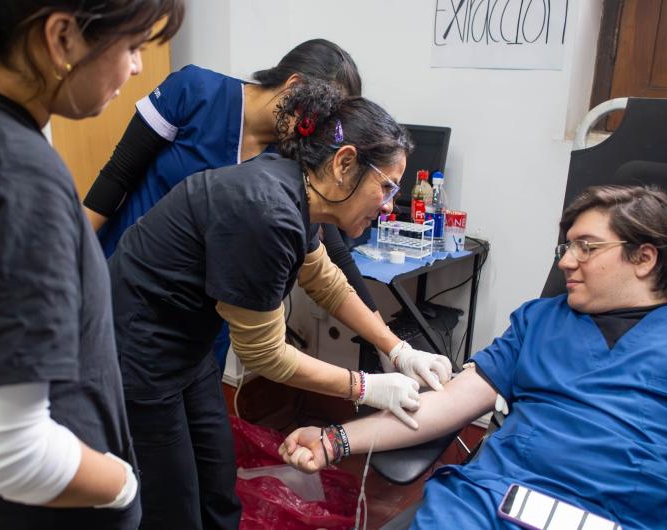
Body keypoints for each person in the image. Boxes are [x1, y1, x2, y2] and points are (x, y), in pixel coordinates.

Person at [0, 1, 183, 529]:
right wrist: (123, 485)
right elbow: (7, 450)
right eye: (132, 47)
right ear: (62, 37)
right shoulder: (12, 177)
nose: (137, 68)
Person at [107, 81, 453, 530]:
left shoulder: (297, 191)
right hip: (137, 349)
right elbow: (264, 354)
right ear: (345, 163)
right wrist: (366, 387)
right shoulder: (265, 210)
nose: (388, 207)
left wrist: (399, 349)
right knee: (171, 502)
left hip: (184, 348)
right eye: (385, 188)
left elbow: (325, 279)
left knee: (216, 477)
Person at [280, 185, 667, 530]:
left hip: (609, 516)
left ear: (644, 258)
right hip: (488, 502)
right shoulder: (538, 320)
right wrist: (333, 441)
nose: (565, 261)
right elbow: (450, 403)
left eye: (587, 247)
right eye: (567, 246)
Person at [82, 39, 383, 370]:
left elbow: (331, 253)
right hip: (129, 279)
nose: (320, 137)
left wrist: (387, 341)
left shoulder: (292, 158)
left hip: (202, 315)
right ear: (294, 88)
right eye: (321, 120)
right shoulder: (196, 91)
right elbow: (116, 178)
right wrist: (72, 262)